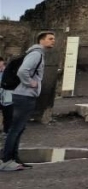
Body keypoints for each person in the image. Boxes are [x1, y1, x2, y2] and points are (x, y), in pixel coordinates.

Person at [2, 31, 56, 172]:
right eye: (50, 38)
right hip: (24, 95)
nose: (53, 41)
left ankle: (14, 159)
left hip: (25, 95)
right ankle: (6, 160)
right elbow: (22, 71)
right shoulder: (36, 54)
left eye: (53, 39)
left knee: (19, 128)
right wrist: (31, 83)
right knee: (15, 128)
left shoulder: (38, 54)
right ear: (41, 40)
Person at [0, 56, 12, 136]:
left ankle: (6, 131)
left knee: (8, 115)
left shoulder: (9, 72)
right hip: (1, 96)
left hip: (8, 97)